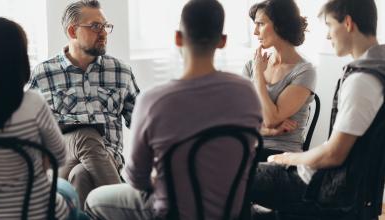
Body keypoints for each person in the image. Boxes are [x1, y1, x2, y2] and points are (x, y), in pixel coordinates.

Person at [84, 0, 262, 219]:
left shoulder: (154, 100)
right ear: (222, 41)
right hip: (231, 211)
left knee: (93, 200)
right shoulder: (247, 92)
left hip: (172, 212)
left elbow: (136, 179)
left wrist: (159, 178)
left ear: (178, 38)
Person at [249, 0, 385, 217]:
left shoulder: (362, 80)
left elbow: (334, 154)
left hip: (312, 186)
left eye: (329, 25)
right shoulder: (381, 69)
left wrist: (288, 158)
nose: (327, 35)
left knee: (230, 178)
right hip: (328, 183)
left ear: (348, 23)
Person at [0, 17, 84, 219]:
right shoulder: (33, 103)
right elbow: (60, 156)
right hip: (40, 212)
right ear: (19, 59)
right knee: (67, 190)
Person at [28, 0, 140, 206]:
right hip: (61, 160)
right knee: (85, 136)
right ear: (72, 31)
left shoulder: (121, 71)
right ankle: (129, 206)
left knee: (81, 175)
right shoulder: (43, 73)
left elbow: (141, 123)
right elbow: (31, 131)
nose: (104, 32)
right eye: (96, 26)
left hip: (108, 160)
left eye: (105, 26)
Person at [243, 0, 317, 161]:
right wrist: (269, 132)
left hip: (281, 156)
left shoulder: (304, 71)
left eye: (260, 24)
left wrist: (258, 77)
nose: (255, 32)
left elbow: (270, 119)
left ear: (280, 25)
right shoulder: (252, 65)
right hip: (248, 149)